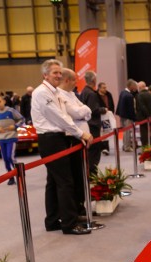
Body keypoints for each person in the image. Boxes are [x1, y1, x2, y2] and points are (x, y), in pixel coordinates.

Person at [31, 58, 93, 235]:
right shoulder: (41, 93)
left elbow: (68, 113)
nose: (58, 75)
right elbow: (59, 117)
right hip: (50, 140)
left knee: (53, 182)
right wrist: (81, 134)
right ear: (45, 75)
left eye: (59, 72)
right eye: (54, 73)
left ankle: (52, 221)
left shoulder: (56, 92)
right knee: (66, 182)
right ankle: (69, 223)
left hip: (59, 138)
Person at [58, 68, 92, 216]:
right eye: (75, 80)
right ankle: (77, 207)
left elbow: (87, 112)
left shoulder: (72, 94)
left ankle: (82, 205)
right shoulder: (60, 95)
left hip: (83, 136)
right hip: (74, 137)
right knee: (76, 175)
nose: (77, 83)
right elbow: (77, 112)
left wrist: (82, 111)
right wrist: (82, 111)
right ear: (67, 80)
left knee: (83, 173)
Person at [0, 94, 24, 185]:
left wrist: (15, 126)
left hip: (11, 137)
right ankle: (10, 176)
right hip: (1, 138)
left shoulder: (11, 111)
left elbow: (21, 119)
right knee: (5, 158)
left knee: (10, 157)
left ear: (4, 101)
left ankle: (18, 173)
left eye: (0, 101)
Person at [79, 71, 105, 173]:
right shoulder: (91, 94)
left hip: (87, 125)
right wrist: (103, 110)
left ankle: (89, 172)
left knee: (90, 151)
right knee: (94, 151)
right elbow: (93, 110)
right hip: (93, 126)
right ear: (94, 80)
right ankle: (92, 174)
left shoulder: (84, 92)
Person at [115, 79, 138, 152]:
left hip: (122, 115)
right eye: (135, 86)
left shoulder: (122, 92)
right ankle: (127, 147)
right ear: (131, 86)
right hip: (127, 117)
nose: (135, 88)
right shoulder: (129, 96)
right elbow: (131, 109)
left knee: (125, 131)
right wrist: (134, 118)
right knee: (127, 132)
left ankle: (125, 145)